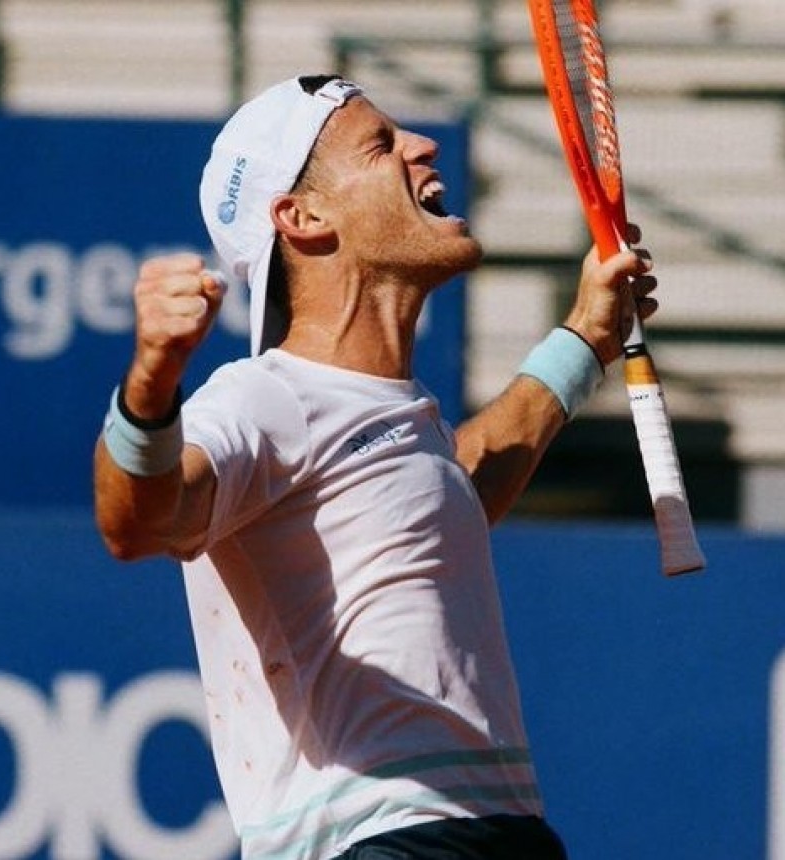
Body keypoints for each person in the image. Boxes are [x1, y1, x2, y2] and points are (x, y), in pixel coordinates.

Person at [93, 74, 657, 860]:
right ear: (304, 216)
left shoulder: (394, 417)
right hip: (380, 839)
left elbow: (445, 494)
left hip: (493, 833)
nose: (423, 144)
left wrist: (582, 342)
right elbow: (141, 521)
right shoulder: (263, 397)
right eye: (381, 145)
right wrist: (151, 385)